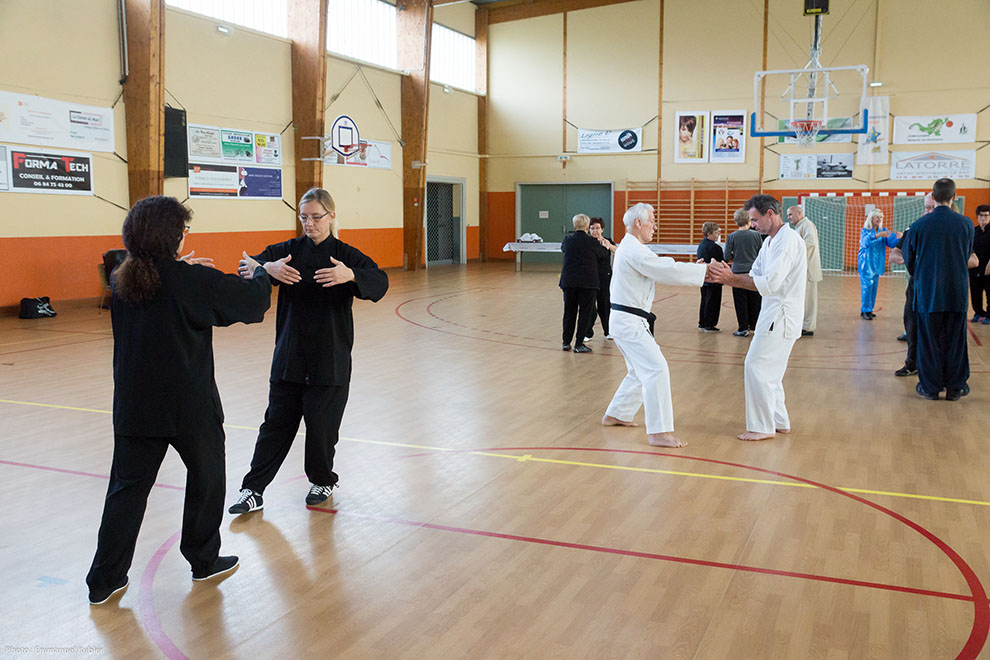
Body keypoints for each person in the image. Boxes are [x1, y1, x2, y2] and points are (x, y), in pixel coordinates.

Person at [87, 196, 273, 605]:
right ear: (173, 237)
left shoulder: (122, 278)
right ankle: (203, 560)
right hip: (189, 407)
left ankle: (104, 580)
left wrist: (181, 269)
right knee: (208, 478)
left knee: (126, 491)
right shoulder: (191, 281)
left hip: (135, 407)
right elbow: (252, 303)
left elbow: (165, 287)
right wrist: (262, 273)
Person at [228, 188, 389, 515]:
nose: (310, 224)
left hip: (329, 360)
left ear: (331, 216)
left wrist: (351, 275)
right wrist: (267, 269)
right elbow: (247, 265)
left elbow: (380, 282)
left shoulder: (345, 255)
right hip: (290, 357)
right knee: (275, 427)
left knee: (321, 430)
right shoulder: (286, 251)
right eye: (304, 217)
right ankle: (253, 489)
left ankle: (322, 480)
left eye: (316, 217)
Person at [601, 203, 710, 448]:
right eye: (652, 221)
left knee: (639, 371)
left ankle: (617, 414)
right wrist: (703, 271)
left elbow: (662, 267)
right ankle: (659, 432)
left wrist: (698, 269)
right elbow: (665, 269)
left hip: (627, 320)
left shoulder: (633, 248)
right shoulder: (633, 249)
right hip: (628, 322)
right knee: (656, 369)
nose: (655, 226)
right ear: (638, 223)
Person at [708, 194, 807, 441]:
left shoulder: (788, 241)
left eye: (755, 219)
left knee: (756, 365)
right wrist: (729, 275)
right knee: (770, 371)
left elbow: (770, 283)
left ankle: (762, 426)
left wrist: (731, 279)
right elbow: (754, 275)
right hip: (772, 314)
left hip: (781, 316)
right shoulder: (769, 242)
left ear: (770, 214)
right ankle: (779, 420)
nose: (752, 224)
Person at [902, 178, 973, 401]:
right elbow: (967, 255)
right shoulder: (966, 224)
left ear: (933, 197)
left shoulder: (919, 225)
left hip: (928, 294)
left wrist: (923, 273)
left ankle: (930, 388)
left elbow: (909, 260)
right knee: (956, 342)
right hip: (956, 293)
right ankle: (955, 388)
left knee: (929, 342)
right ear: (954, 196)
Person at [890, 194, 935, 377]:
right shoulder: (914, 228)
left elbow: (973, 259)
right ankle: (912, 363)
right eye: (927, 207)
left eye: (933, 207)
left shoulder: (951, 229)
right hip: (916, 286)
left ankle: (935, 369)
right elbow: (895, 254)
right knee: (911, 323)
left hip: (940, 287)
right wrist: (909, 259)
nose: (929, 211)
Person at [558, 213, 600, 353]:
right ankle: (579, 344)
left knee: (569, 312)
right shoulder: (593, 242)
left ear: (574, 226)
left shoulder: (568, 241)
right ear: (587, 227)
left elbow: (564, 250)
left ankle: (566, 342)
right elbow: (602, 254)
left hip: (569, 282)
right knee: (584, 314)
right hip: (588, 283)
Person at [723, 207, 763, 337]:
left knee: (740, 301)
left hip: (737, 272)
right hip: (753, 271)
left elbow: (727, 256)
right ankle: (755, 326)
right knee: (755, 300)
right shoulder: (756, 235)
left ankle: (743, 327)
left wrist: (736, 254)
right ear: (749, 220)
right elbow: (761, 253)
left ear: (736, 221)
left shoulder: (732, 236)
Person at [857, 208, 899, 320]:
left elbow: (891, 243)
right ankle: (865, 309)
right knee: (867, 287)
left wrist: (899, 238)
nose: (879, 219)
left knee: (874, 288)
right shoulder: (865, 231)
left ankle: (869, 309)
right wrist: (877, 235)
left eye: (881, 217)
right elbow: (864, 243)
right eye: (877, 217)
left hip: (877, 264)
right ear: (871, 218)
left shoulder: (883, 230)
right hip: (866, 263)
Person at [787, 204, 822, 336]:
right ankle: (803, 324)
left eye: (791, 214)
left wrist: (793, 250)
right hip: (803, 268)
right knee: (804, 298)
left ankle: (808, 327)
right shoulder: (800, 226)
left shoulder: (807, 225)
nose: (788, 217)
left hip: (808, 269)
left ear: (799, 213)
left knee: (809, 299)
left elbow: (810, 242)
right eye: (788, 215)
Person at [587, 216, 616, 340]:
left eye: (597, 228)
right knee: (589, 307)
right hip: (590, 278)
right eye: (592, 228)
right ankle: (587, 332)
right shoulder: (587, 242)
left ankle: (608, 331)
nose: (595, 231)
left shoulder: (607, 240)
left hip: (605, 277)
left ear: (602, 229)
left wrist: (609, 246)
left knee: (605, 305)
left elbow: (617, 251)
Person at [696, 221, 723, 332]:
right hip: (714, 278)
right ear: (709, 234)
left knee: (705, 300)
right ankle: (710, 324)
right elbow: (721, 262)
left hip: (703, 277)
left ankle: (702, 322)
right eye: (716, 233)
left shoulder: (701, 245)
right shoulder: (715, 247)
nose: (718, 235)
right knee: (713, 302)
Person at [968, 204, 990, 323]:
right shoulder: (973, 231)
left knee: (989, 292)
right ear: (977, 216)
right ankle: (978, 313)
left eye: (986, 215)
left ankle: (989, 315)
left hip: (988, 268)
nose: (983, 218)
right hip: (975, 268)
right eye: (981, 215)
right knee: (975, 293)